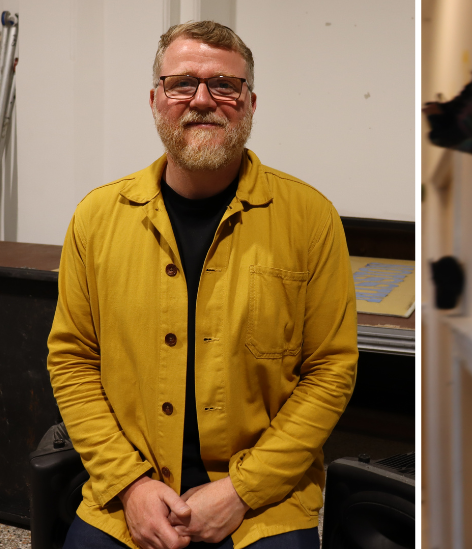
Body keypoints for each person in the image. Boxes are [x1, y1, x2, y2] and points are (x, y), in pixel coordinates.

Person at [47, 21, 358, 549]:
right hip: (128, 495)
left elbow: (330, 371)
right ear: (155, 99)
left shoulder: (312, 219)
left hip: (266, 501)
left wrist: (241, 490)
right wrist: (129, 484)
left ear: (251, 103)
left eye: (225, 85)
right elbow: (72, 359)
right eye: (182, 83)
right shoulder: (95, 219)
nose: (203, 100)